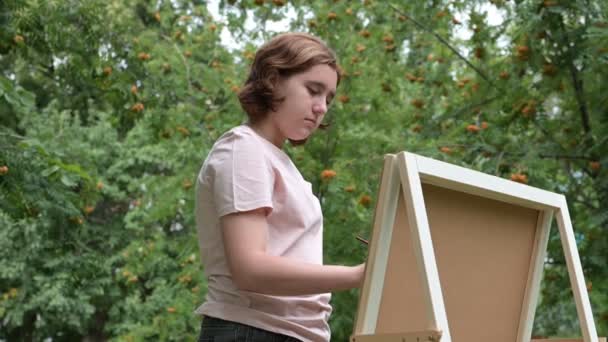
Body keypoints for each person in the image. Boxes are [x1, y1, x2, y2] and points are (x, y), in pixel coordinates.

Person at [194, 32, 365, 342]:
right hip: (253, 330)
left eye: (328, 98)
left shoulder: (277, 160)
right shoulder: (244, 149)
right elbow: (250, 269)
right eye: (313, 90)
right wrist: (359, 275)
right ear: (273, 80)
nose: (322, 107)